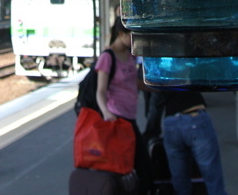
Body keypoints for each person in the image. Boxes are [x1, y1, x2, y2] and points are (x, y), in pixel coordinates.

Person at [95, 17, 152, 192]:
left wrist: (157, 87)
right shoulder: (107, 57)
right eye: (131, 36)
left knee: (134, 166)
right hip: (117, 120)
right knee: (136, 166)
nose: (134, 40)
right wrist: (106, 112)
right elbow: (101, 91)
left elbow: (133, 82)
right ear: (121, 34)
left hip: (130, 118)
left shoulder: (129, 56)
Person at [161, 88, 227, 195]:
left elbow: (141, 81)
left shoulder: (160, 73)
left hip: (171, 121)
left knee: (180, 182)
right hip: (194, 115)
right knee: (213, 179)